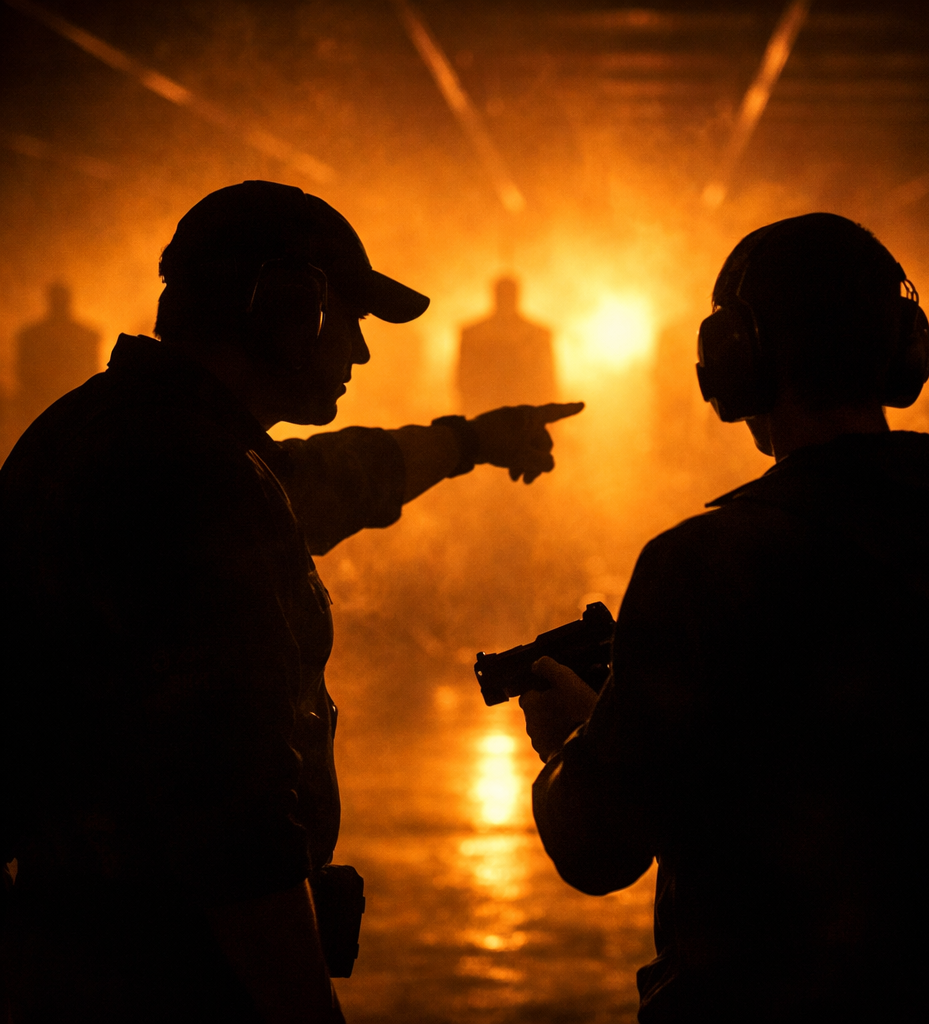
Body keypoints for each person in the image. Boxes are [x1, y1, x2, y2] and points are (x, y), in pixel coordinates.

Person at [0, 180, 582, 1023]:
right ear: (286, 309)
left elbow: (320, 485)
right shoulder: (192, 477)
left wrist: (470, 440)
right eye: (346, 320)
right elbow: (231, 814)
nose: (360, 352)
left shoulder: (134, 435)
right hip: (157, 973)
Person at [519, 213, 929, 1022]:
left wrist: (568, 744)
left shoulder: (703, 564)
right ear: (904, 351)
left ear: (736, 359)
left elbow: (598, 846)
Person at [457, 275, 557, 416]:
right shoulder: (473, 334)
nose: (506, 299)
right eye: (503, 295)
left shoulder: (538, 335)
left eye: (509, 295)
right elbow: (463, 380)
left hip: (524, 415)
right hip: (486, 414)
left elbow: (547, 382)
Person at [13, 280, 101, 434]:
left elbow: (22, 372)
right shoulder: (86, 335)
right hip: (52, 403)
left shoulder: (30, 335)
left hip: (65, 403)